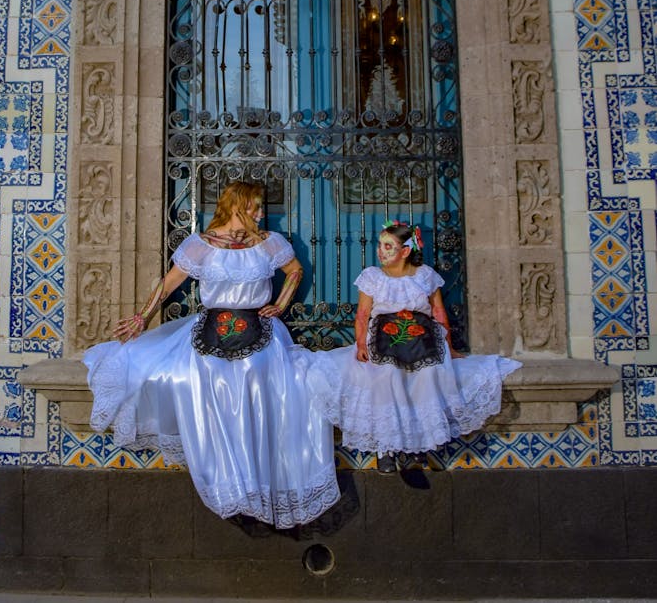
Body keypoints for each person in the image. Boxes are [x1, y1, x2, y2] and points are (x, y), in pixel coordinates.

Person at [82, 180, 340, 526]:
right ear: (236, 206)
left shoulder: (269, 243)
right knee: (200, 378)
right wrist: (143, 318)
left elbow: (295, 271)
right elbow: (168, 283)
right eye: (255, 207)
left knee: (261, 380)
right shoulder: (201, 244)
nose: (262, 214)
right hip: (210, 329)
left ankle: (257, 482)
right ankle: (227, 484)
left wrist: (279, 304)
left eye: (261, 208)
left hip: (260, 329)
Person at [305, 220, 521, 472]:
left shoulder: (425, 275)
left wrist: (448, 347)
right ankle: (386, 448)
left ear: (405, 251)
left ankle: (420, 444)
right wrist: (361, 343)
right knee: (387, 376)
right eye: (380, 245)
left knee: (428, 375)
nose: (380, 251)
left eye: (388, 246)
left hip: (422, 338)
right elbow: (363, 314)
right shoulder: (373, 277)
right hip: (384, 338)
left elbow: (438, 311)